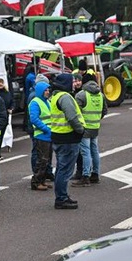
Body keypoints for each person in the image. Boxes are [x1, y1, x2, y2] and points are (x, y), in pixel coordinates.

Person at [49, 74, 85, 210]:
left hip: (59, 137)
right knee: (65, 170)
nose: (73, 83)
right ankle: (61, 198)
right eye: (72, 81)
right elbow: (72, 117)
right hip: (68, 138)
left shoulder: (55, 96)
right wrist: (80, 129)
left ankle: (61, 196)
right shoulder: (65, 97)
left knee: (60, 168)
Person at [72, 79, 107, 187]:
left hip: (85, 127)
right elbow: (104, 110)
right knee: (94, 151)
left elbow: (75, 111)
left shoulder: (81, 95)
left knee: (85, 152)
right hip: (95, 126)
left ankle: (85, 176)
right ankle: (95, 174)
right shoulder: (100, 95)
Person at [29, 81, 53, 191]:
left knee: (46, 160)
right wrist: (46, 129)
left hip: (48, 135)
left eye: (48, 90)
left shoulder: (47, 102)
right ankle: (36, 181)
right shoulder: (35, 102)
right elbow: (34, 119)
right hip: (41, 135)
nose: (48, 92)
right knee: (42, 160)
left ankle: (42, 180)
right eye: (45, 90)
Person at [0, 76, 14, 159]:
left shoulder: (7, 93)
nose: (0, 84)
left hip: (5, 117)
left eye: (2, 82)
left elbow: (12, 101)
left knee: (1, 136)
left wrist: (11, 108)